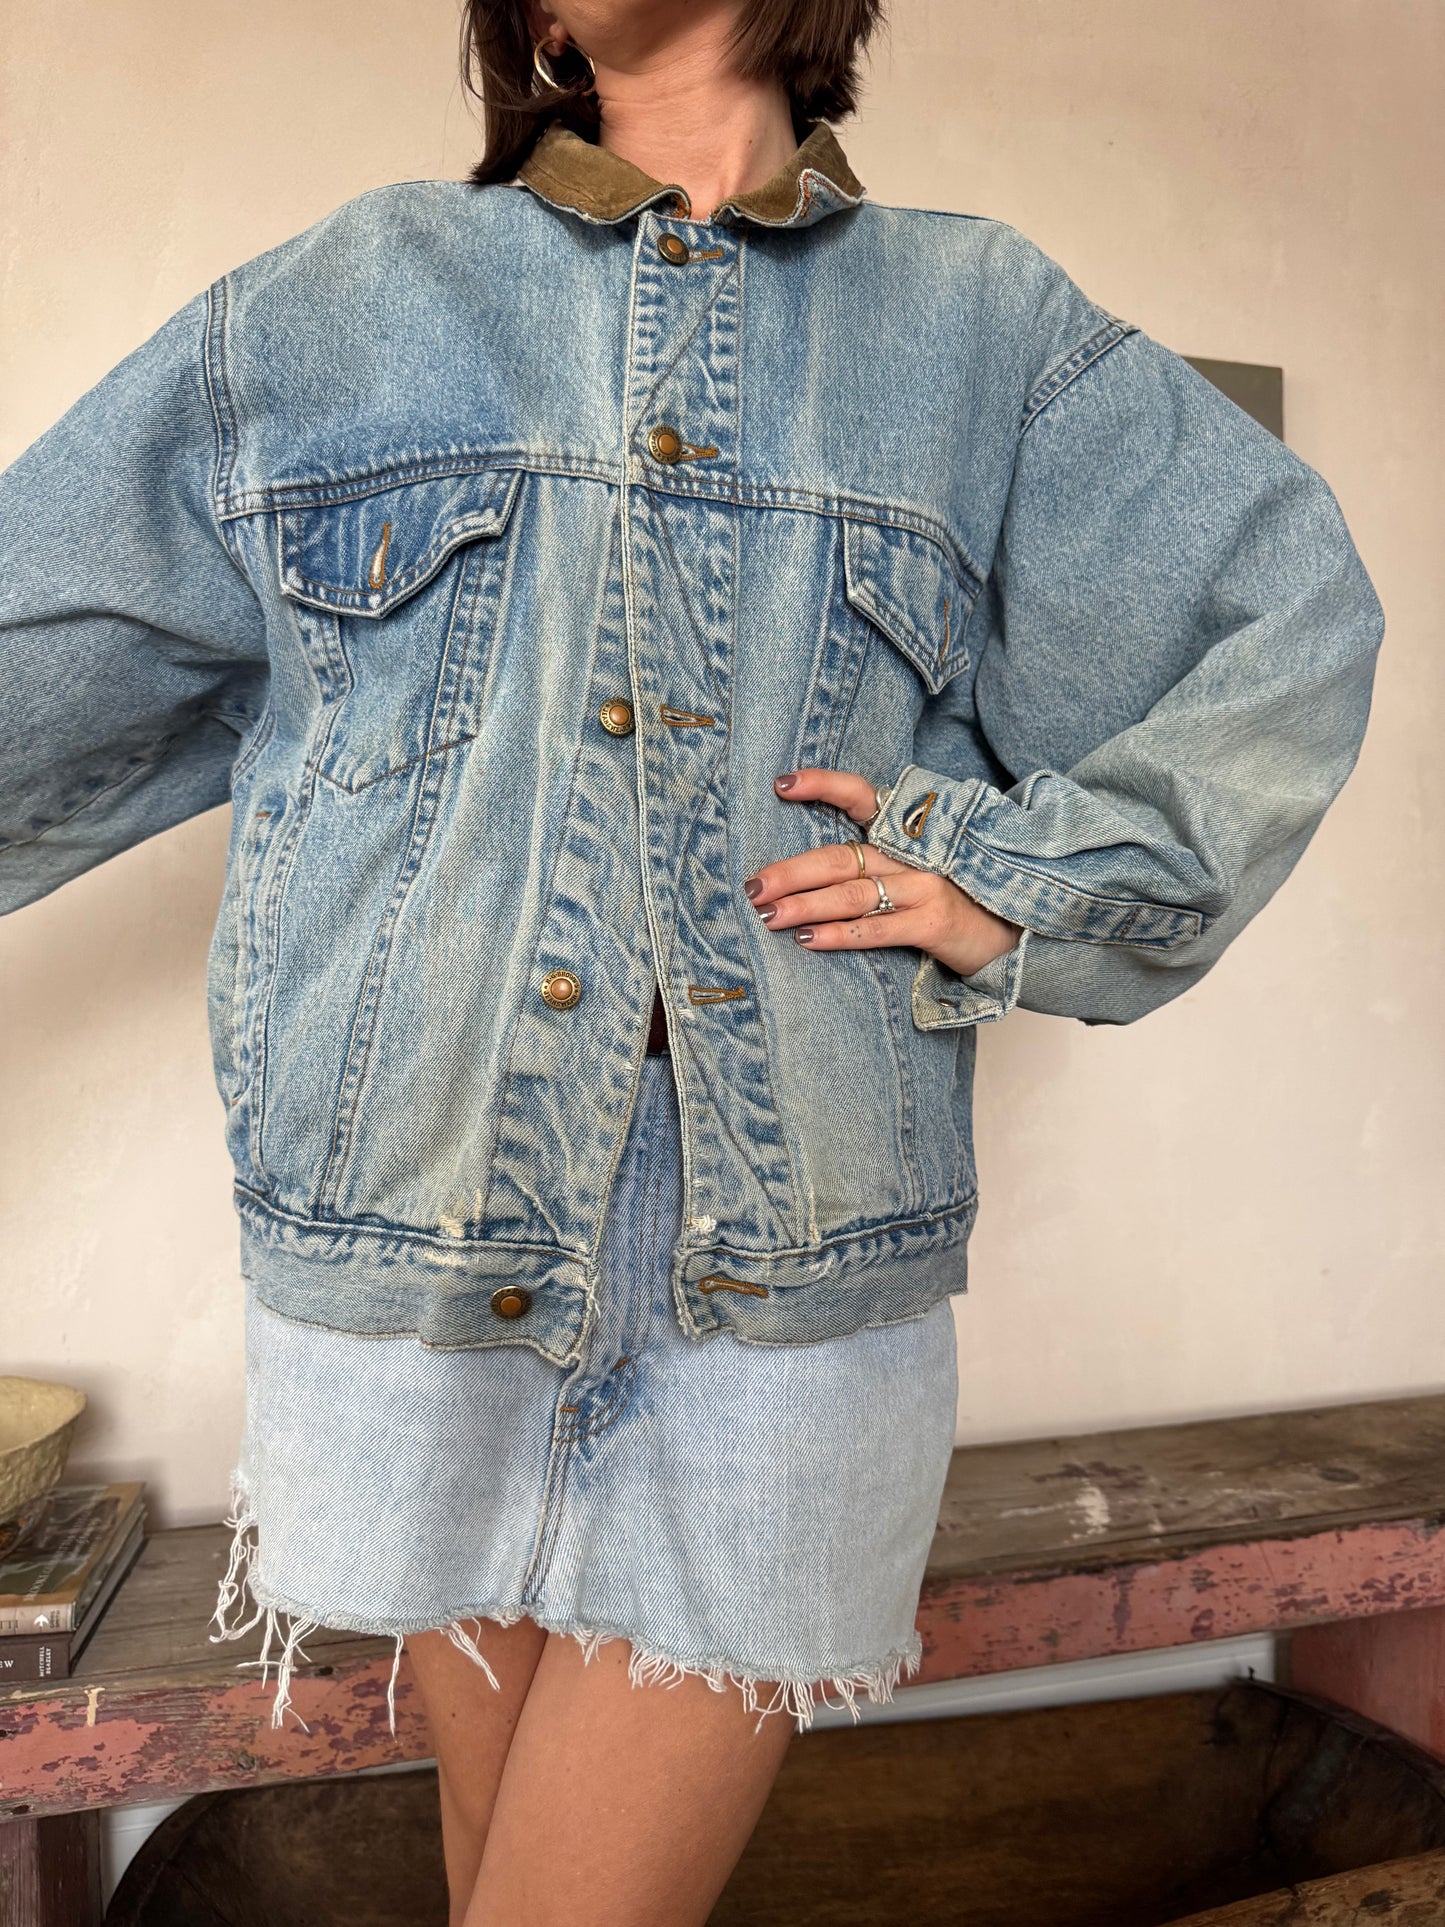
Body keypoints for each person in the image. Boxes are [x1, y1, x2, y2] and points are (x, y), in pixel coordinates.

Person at [0, 0, 1384, 1920]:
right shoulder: (346, 300)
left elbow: (1279, 611)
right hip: (421, 1226)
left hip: (791, 1257)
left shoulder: (976, 330)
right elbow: (37, 646)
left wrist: (1018, 882)